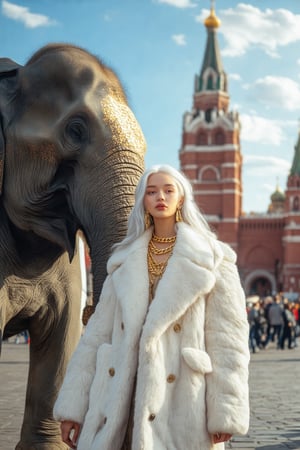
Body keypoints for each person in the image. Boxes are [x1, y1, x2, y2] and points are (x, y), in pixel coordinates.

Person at [53, 165, 250, 450]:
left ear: (181, 198)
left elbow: (229, 342)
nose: (161, 196)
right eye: (152, 191)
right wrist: (73, 408)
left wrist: (226, 412)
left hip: (182, 402)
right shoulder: (123, 260)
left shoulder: (213, 259)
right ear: (142, 200)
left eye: (169, 190)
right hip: (120, 397)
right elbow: (95, 337)